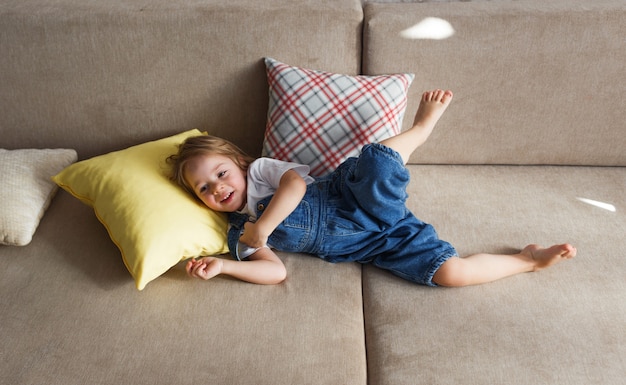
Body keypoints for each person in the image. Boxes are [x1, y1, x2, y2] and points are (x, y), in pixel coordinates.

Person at [168, 89, 576, 286]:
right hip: (377, 244)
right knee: (450, 274)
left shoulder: (260, 172)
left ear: (239, 164)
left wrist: (265, 227)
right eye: (204, 188)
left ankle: (420, 128)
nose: (217, 188)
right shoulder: (238, 234)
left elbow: (294, 184)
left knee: (376, 159)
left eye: (221, 174)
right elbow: (273, 272)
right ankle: (528, 260)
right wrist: (225, 265)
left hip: (353, 197)